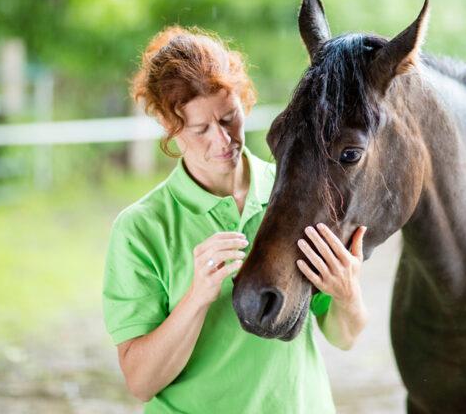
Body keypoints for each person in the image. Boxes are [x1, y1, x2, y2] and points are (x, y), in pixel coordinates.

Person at [102, 26, 368, 413]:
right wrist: (197, 298)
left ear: (244, 101)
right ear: (168, 127)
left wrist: (347, 293)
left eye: (229, 118)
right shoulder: (141, 229)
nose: (223, 141)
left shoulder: (294, 195)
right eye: (200, 129)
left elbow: (344, 337)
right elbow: (141, 382)